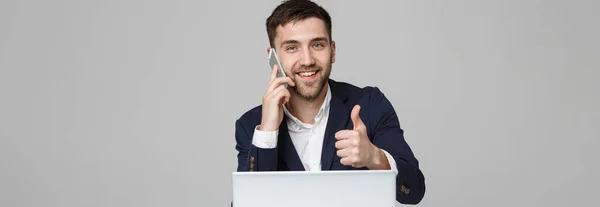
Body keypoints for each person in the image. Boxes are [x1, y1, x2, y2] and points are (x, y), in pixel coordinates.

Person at [234, 0, 425, 204]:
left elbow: (414, 191)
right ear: (273, 58)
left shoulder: (369, 104)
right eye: (292, 48)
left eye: (317, 45)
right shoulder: (251, 126)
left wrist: (375, 157)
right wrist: (267, 133)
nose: (307, 60)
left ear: (332, 50)